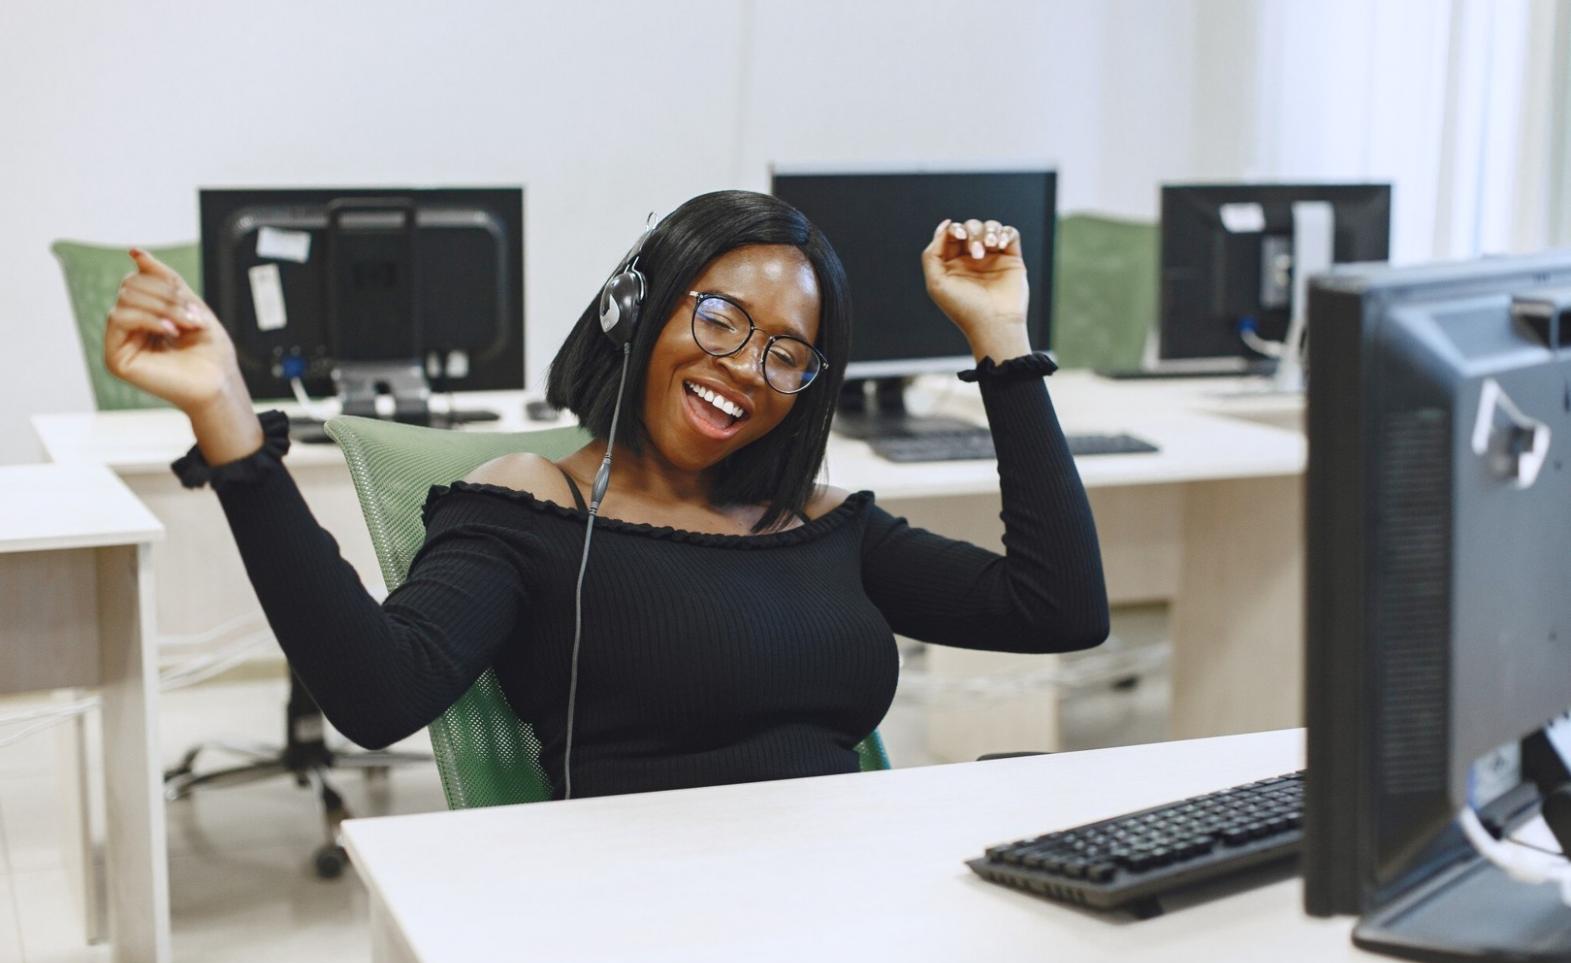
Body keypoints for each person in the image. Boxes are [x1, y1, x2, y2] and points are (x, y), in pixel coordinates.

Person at [103, 189, 1108, 801]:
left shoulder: (818, 521)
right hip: (647, 919)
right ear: (636, 311)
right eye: (719, 319)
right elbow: (374, 694)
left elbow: (1056, 609)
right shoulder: (531, 508)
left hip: (845, 894)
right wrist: (227, 419)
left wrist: (1001, 343)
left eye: (786, 353)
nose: (746, 368)